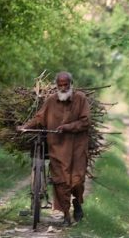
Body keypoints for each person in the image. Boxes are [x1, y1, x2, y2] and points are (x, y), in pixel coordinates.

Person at [18, 72, 90, 225]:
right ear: (56, 86)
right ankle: (66, 216)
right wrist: (25, 127)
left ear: (71, 84)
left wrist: (68, 127)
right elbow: (39, 118)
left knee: (77, 181)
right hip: (57, 147)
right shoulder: (51, 101)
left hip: (77, 147)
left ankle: (77, 203)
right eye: (60, 85)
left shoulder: (80, 98)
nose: (63, 88)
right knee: (60, 182)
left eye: (66, 85)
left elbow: (85, 121)